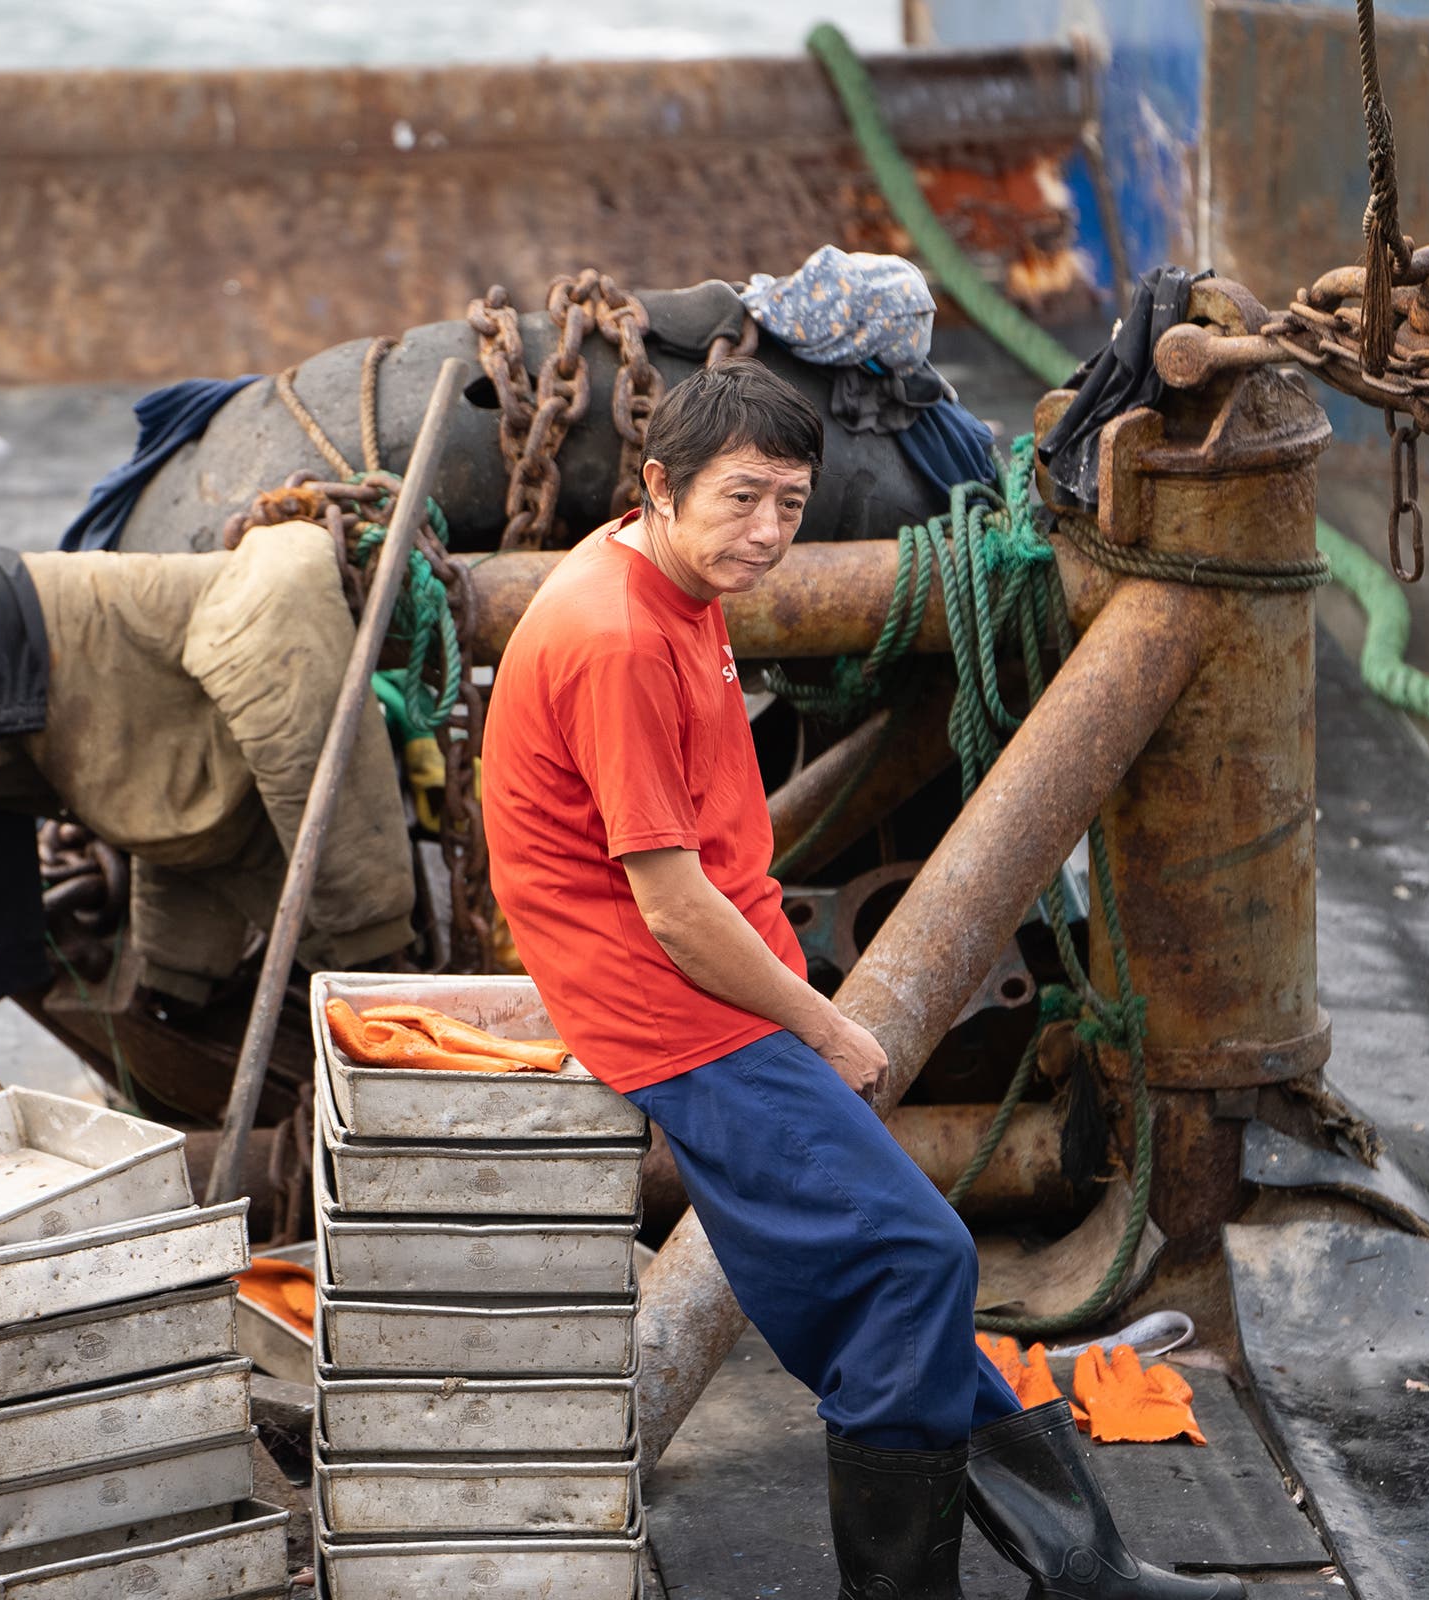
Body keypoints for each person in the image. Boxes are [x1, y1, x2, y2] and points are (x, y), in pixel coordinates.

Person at [482, 358, 1238, 1600]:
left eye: (790, 501)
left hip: (719, 992)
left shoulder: (672, 579)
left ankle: (1084, 1570)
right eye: (741, 500)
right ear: (659, 485)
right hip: (671, 1010)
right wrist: (824, 1021)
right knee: (915, 1266)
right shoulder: (616, 636)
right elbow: (672, 907)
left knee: (904, 1283)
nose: (770, 533)